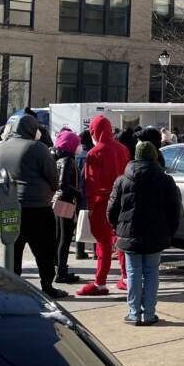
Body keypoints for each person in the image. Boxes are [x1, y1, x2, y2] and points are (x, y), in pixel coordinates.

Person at [0, 115, 67, 299]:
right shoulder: (37, 148)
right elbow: (53, 178)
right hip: (38, 208)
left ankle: (12, 286)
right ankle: (47, 287)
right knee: (44, 251)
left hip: (9, 206)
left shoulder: (0, 147)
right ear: (32, 128)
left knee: (13, 249)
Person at [108, 142, 181, 325]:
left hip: (129, 233)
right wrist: (169, 232)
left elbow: (111, 210)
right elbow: (174, 210)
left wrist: (117, 228)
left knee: (133, 273)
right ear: (155, 157)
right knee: (151, 272)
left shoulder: (122, 180)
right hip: (156, 234)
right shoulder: (165, 180)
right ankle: (149, 313)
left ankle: (133, 313)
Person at [76, 115, 130, 296]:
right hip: (122, 201)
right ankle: (126, 278)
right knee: (121, 240)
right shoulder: (122, 149)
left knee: (103, 245)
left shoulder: (94, 153)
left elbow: (91, 183)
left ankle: (100, 282)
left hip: (102, 203)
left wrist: (90, 207)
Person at [51, 129, 81, 284]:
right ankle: (61, 272)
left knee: (58, 236)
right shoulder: (68, 162)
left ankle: (58, 268)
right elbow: (64, 184)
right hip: (66, 201)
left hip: (58, 200)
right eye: (77, 143)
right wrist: (79, 193)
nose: (79, 146)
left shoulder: (59, 160)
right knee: (65, 237)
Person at [75, 130, 94, 260]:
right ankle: (95, 251)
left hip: (77, 193)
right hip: (90, 192)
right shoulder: (93, 154)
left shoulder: (76, 155)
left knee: (80, 222)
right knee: (93, 221)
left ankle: (79, 250)